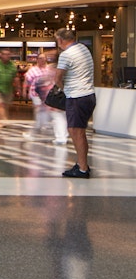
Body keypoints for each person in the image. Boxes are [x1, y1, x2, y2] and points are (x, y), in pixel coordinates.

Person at [54, 28, 96, 178]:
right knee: (79, 132)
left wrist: (64, 90)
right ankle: (81, 163)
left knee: (75, 132)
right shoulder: (83, 48)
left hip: (77, 97)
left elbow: (57, 78)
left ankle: (83, 168)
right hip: (89, 95)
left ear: (60, 40)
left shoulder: (66, 55)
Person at [23, 50, 68, 144]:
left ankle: (60, 137)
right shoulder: (60, 68)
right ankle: (61, 135)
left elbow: (46, 83)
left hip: (53, 96)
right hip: (52, 96)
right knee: (55, 116)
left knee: (53, 116)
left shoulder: (52, 68)